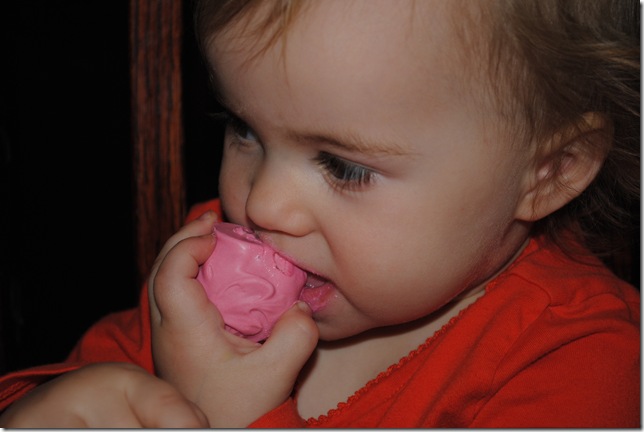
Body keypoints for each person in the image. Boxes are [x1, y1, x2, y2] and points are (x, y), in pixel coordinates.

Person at [0, 0, 639, 427]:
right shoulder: (203, 281)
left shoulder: (583, 365)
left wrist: (235, 418)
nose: (263, 203)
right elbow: (68, 384)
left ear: (549, 171)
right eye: (244, 129)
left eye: (344, 166)